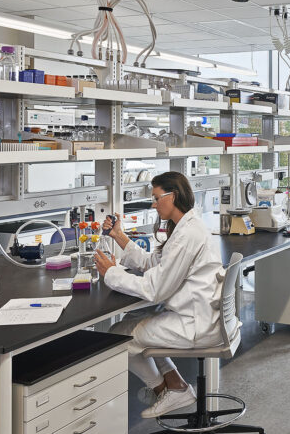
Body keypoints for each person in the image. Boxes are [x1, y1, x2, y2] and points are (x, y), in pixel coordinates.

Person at [94, 171, 224, 419]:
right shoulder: (186, 227)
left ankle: (164, 389)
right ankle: (174, 387)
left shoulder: (187, 235)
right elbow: (155, 263)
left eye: (156, 198)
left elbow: (155, 290)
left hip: (194, 323)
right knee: (131, 327)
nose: (153, 205)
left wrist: (111, 273)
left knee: (118, 337)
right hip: (195, 316)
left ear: (172, 196)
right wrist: (120, 237)